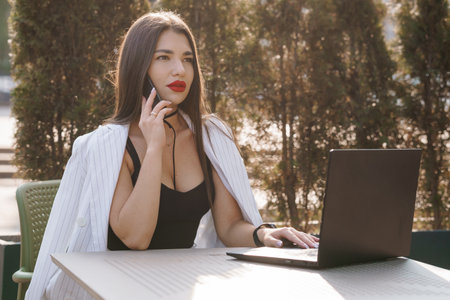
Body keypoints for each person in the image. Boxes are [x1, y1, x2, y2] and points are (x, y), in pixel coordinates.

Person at [26, 11, 319, 299]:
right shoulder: (108, 145)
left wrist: (264, 234)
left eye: (187, 59)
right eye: (164, 57)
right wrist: (154, 147)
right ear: (139, 67)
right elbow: (135, 238)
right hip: (117, 287)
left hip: (180, 283)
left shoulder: (210, 137)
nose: (180, 69)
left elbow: (229, 226)